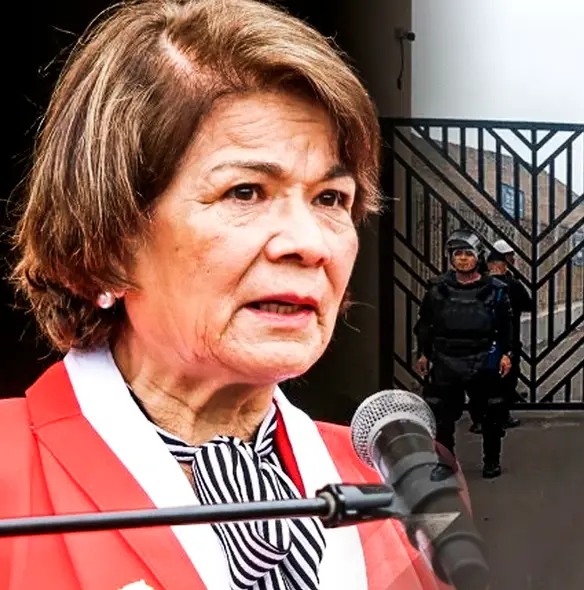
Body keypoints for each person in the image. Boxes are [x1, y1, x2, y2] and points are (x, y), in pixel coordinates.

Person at [0, 1, 457, 588]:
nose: (309, 243)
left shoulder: (403, 482)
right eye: (245, 191)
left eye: (331, 199)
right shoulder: (13, 473)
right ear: (105, 245)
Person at [414, 230, 514, 479]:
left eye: (467, 254)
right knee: (441, 416)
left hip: (483, 358)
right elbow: (425, 324)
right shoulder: (437, 289)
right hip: (446, 359)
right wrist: (423, 354)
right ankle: (445, 463)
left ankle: (491, 461)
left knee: (491, 413)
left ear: (477, 257)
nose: (462, 259)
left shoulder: (495, 290)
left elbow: (506, 326)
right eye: (457, 254)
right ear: (451, 258)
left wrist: (506, 354)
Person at [467, 239, 532, 433]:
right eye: (511, 258)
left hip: (478, 342)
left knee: (477, 381)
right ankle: (502, 417)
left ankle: (478, 419)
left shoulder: (477, 283)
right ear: (504, 262)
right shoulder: (512, 285)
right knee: (505, 380)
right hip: (506, 340)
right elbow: (529, 305)